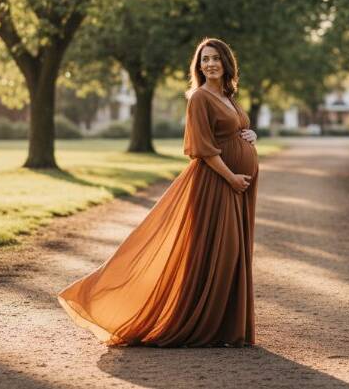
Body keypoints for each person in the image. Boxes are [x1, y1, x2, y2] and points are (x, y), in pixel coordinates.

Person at [57, 38, 259, 347]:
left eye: (216, 58)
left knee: (231, 254)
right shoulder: (199, 98)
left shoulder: (228, 96)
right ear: (198, 65)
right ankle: (201, 323)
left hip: (236, 185)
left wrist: (250, 134)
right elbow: (202, 149)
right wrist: (231, 177)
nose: (210, 64)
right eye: (204, 59)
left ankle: (226, 327)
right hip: (216, 185)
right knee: (221, 252)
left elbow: (233, 130)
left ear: (227, 63)